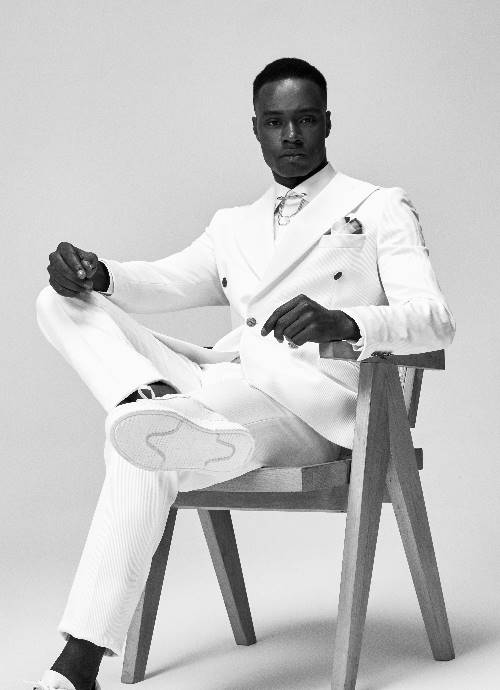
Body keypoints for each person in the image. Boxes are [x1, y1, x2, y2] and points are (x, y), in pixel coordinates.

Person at [28, 57, 455, 690]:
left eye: (305, 120)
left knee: (145, 448)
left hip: (307, 410)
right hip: (219, 389)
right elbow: (164, 281)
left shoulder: (377, 206)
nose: (291, 136)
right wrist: (99, 273)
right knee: (59, 301)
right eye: (275, 122)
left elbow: (435, 320)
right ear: (255, 128)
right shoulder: (233, 225)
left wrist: (347, 321)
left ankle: (78, 662)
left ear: (328, 122)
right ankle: (150, 400)